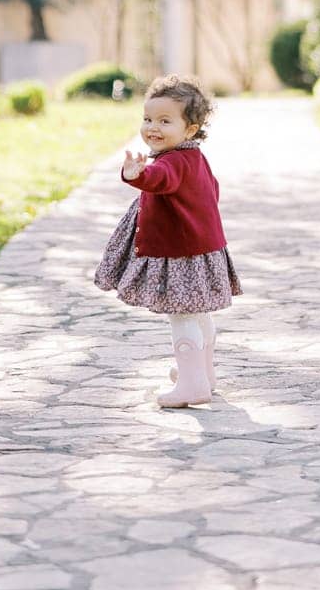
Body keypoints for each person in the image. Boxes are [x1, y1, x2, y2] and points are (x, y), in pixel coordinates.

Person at [93, 73, 242, 407]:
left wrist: (140, 174)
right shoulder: (195, 157)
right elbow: (213, 191)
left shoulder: (172, 162)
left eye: (164, 121)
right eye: (147, 119)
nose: (152, 127)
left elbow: (162, 179)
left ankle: (192, 386)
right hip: (200, 249)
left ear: (190, 129)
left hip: (180, 255)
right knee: (198, 313)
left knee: (183, 315)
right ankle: (203, 373)